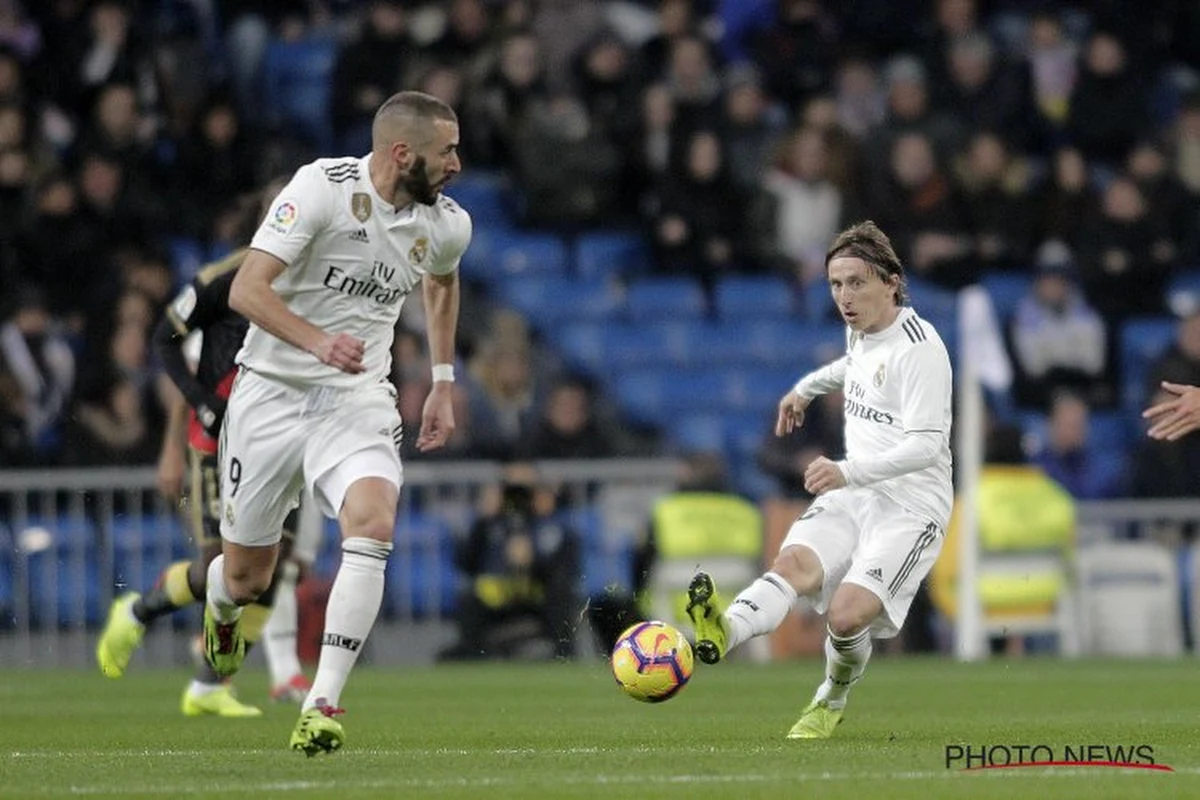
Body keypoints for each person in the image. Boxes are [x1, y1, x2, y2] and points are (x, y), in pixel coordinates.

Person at [201, 90, 470, 756]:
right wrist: (316, 340)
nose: (458, 164)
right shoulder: (321, 188)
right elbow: (246, 289)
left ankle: (321, 702)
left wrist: (441, 381)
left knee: (374, 522)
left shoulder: (447, 223)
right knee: (246, 579)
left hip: (355, 400)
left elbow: (441, 279)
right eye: (447, 151)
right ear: (403, 153)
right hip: (270, 393)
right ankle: (223, 614)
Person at [685, 220, 953, 739]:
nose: (844, 297)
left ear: (891, 282)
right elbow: (854, 366)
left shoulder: (922, 349)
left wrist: (844, 468)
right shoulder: (861, 328)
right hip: (856, 493)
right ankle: (725, 630)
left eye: (856, 282)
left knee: (848, 617)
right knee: (793, 565)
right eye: (835, 284)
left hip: (911, 508)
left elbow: (927, 446)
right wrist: (805, 388)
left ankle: (831, 697)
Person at [95, 188, 314, 715]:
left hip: (284, 440)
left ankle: (211, 684)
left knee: (272, 567)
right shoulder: (227, 278)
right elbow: (169, 341)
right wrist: (195, 414)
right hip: (216, 442)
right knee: (223, 564)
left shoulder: (317, 284)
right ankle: (139, 611)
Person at [438, 462, 580, 661]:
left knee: (561, 593)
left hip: (537, 597)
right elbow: (466, 564)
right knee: (469, 597)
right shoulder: (491, 524)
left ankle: (563, 653)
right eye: (511, 489)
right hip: (499, 598)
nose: (518, 497)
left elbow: (568, 568)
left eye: (525, 490)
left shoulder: (552, 525)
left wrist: (536, 560)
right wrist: (482, 520)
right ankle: (474, 653)